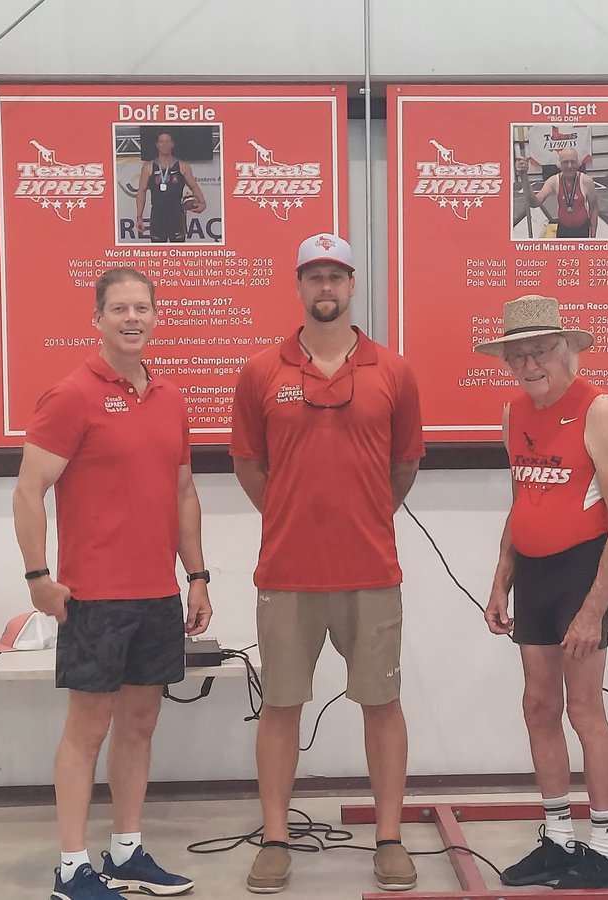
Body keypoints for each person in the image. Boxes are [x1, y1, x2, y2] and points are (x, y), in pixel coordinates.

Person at [231, 233, 424, 894]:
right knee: (280, 706)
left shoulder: (393, 371)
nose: (326, 289)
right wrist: (294, 514)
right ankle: (276, 839)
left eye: (336, 277)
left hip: (372, 572)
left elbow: (403, 469)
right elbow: (249, 467)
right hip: (286, 574)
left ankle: (390, 839)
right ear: (298, 286)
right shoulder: (261, 371)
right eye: (314, 277)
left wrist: (360, 516)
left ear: (352, 285)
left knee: (383, 703)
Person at [12, 267, 213, 900]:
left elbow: (183, 492)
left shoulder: (172, 399)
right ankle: (72, 868)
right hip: (93, 596)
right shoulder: (71, 395)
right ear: (96, 320)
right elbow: (28, 490)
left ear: (156, 318)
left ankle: (125, 852)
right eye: (119, 308)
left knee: (140, 723)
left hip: (157, 593)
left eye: (142, 308)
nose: (132, 318)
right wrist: (38, 577)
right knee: (87, 727)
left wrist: (197, 575)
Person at [477, 294, 608, 890]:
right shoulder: (513, 413)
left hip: (579, 575)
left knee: (584, 711)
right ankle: (556, 837)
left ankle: (604, 850)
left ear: (566, 348)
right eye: (516, 356)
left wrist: (594, 609)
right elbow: (525, 499)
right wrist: (500, 579)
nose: (528, 365)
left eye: (540, 350)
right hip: (534, 576)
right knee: (538, 707)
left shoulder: (598, 408)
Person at [135, 131, 207, 243]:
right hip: (157, 216)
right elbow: (141, 191)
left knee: (178, 253)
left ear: (172, 144)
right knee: (158, 254)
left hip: (177, 215)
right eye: (161, 142)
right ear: (157, 145)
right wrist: (139, 217)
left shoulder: (183, 166)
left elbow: (194, 186)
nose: (164, 144)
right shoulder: (148, 167)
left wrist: (202, 202)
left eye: (167, 141)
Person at [515, 147, 600, 238]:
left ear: (578, 163)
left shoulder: (586, 181)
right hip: (563, 230)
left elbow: (594, 208)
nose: (569, 166)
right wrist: (523, 176)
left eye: (573, 162)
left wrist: (593, 237)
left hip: (582, 230)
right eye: (565, 162)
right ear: (559, 164)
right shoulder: (554, 181)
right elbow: (534, 203)